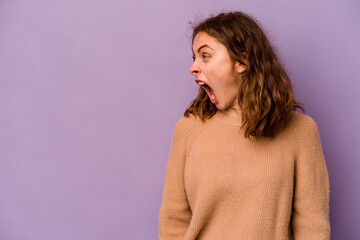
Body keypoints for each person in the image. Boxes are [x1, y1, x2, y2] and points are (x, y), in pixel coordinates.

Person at [158, 11, 330, 240]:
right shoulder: (188, 130)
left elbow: (312, 226)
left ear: (242, 61)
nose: (193, 67)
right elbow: (173, 221)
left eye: (205, 56)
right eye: (194, 58)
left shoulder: (301, 132)